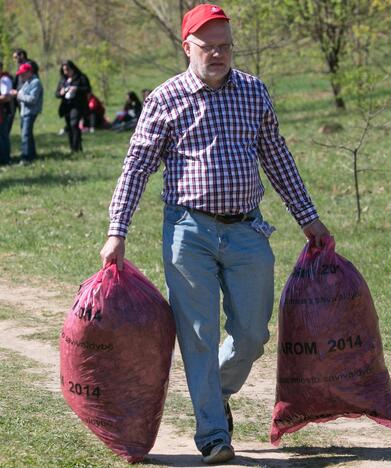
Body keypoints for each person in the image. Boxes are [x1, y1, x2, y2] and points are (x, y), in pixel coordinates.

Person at [99, 5, 331, 464]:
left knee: (252, 334)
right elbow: (137, 167)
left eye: (226, 46)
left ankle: (213, 391)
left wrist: (309, 219)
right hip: (188, 232)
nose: (219, 54)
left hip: (247, 230)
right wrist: (117, 230)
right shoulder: (165, 99)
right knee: (199, 334)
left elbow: (277, 159)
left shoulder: (253, 93)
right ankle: (212, 435)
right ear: (187, 47)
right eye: (209, 47)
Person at [9, 63, 42, 165]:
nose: (21, 76)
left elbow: (32, 99)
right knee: (28, 134)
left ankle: (26, 157)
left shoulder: (35, 82)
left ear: (29, 72)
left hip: (30, 112)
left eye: (23, 74)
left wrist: (18, 94)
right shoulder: (27, 82)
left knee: (25, 135)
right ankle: (32, 154)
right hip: (24, 112)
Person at [55, 60, 90, 152]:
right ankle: (73, 147)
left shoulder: (81, 77)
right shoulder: (63, 80)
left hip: (77, 105)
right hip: (66, 105)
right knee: (69, 127)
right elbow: (57, 94)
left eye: (67, 69)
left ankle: (76, 147)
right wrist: (61, 92)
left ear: (73, 68)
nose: (66, 72)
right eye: (64, 70)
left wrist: (77, 89)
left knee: (74, 124)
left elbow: (88, 89)